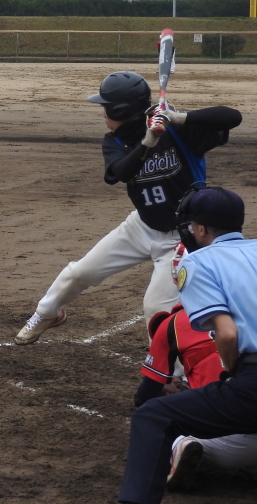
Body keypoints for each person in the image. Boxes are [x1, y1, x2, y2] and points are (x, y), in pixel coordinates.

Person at [16, 71, 241, 344]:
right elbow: (119, 173)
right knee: (79, 273)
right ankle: (46, 314)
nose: (102, 113)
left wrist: (178, 117)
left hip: (182, 238)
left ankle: (172, 367)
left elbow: (232, 117)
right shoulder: (114, 141)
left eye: (105, 107)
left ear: (119, 111)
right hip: (141, 226)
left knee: (156, 307)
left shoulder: (179, 132)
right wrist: (148, 142)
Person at [118, 186, 257, 504]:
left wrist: (232, 372)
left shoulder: (198, 262)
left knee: (152, 417)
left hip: (252, 384)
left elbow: (227, 334)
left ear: (201, 229)